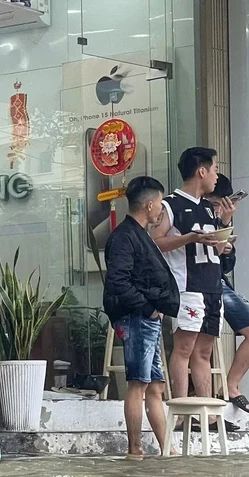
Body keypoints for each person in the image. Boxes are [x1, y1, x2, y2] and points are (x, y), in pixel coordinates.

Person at [152, 147, 230, 420]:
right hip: (187, 286)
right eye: (215, 169)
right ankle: (182, 411)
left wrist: (226, 228)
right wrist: (188, 238)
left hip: (212, 285)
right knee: (184, 348)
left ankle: (205, 413)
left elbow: (217, 250)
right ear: (202, 171)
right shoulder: (170, 205)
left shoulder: (209, 208)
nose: (216, 176)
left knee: (204, 351)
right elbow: (155, 242)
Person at [103, 176, 179, 456]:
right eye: (160, 203)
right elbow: (118, 282)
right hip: (137, 318)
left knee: (155, 386)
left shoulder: (137, 235)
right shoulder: (125, 237)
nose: (161, 209)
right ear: (149, 205)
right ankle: (134, 449)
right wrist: (147, 307)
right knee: (138, 384)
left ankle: (167, 449)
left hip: (147, 319)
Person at [208, 173, 249, 415]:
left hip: (218, 283)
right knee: (201, 344)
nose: (218, 209)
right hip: (197, 286)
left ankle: (231, 386)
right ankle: (203, 404)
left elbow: (226, 266)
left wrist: (227, 249)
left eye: (223, 204)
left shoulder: (222, 219)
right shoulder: (191, 213)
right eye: (215, 204)